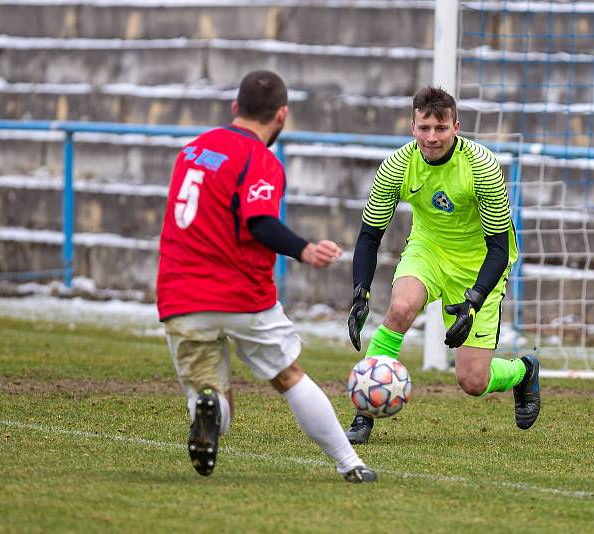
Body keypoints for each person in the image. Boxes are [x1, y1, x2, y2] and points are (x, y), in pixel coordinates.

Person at [156, 70, 376, 483]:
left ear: (235, 107)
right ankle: (351, 463)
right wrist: (304, 249)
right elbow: (259, 221)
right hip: (242, 295)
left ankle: (208, 404)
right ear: (282, 116)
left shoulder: (192, 150)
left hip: (181, 294)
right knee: (289, 377)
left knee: (211, 394)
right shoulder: (260, 160)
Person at [345, 86, 541, 444]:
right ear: (412, 126)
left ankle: (523, 371)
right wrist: (361, 291)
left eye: (440, 128)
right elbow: (369, 235)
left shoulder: (481, 166)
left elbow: (499, 248)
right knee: (401, 308)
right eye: (424, 128)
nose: (431, 137)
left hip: (479, 262)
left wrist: (474, 300)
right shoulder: (397, 165)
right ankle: (364, 413)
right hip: (429, 250)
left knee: (472, 382)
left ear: (456, 127)